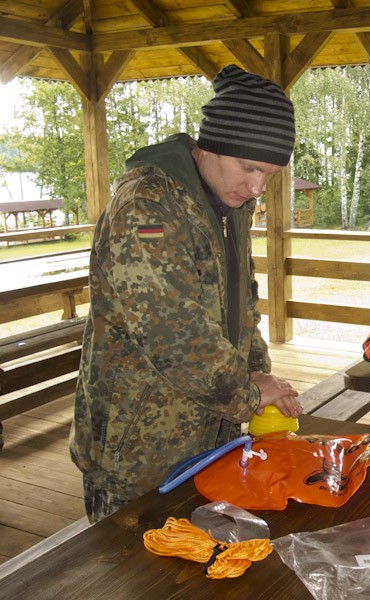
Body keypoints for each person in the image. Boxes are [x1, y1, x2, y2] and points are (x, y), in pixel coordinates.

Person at [70, 65, 303, 522]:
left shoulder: (228, 203)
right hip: (135, 442)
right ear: (212, 146)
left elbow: (242, 307)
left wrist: (260, 375)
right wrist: (251, 393)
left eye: (270, 173)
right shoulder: (148, 204)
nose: (257, 186)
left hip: (207, 432)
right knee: (126, 581)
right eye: (250, 166)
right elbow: (172, 335)